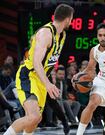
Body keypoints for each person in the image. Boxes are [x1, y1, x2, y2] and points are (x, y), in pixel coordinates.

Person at [3, 4, 74, 135]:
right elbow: (36, 62)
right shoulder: (46, 33)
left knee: (36, 119)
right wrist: (48, 84)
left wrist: (47, 81)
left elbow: (49, 61)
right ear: (68, 19)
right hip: (28, 75)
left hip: (41, 79)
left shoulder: (62, 35)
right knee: (33, 116)